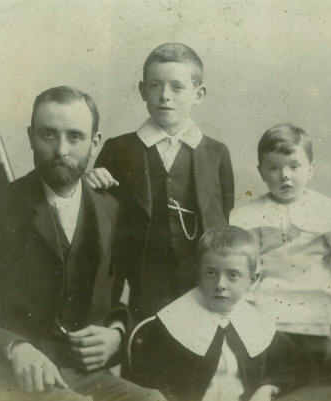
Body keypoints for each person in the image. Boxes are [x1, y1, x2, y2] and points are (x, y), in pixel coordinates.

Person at [0, 86, 164, 401]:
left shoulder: (110, 210)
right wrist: (15, 348)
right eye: (49, 135)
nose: (62, 149)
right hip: (11, 377)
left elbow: (116, 303)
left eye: (75, 136)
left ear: (94, 142)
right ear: (31, 137)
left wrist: (116, 335)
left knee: (153, 399)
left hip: (84, 376)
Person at [85, 43, 234, 320]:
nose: (165, 95)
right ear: (143, 91)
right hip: (143, 283)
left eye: (177, 87)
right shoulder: (118, 149)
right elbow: (99, 214)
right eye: (155, 85)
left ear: (198, 94)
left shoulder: (216, 153)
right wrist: (89, 182)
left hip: (201, 281)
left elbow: (224, 214)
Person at [127, 225, 310, 401]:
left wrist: (267, 389)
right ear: (197, 273)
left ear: (251, 280)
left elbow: (298, 366)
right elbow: (147, 386)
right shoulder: (168, 326)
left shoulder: (256, 323)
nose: (220, 285)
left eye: (233, 275)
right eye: (211, 273)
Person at [230, 123, 331, 364]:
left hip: (316, 288)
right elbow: (248, 261)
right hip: (270, 291)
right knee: (271, 346)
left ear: (311, 169)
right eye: (274, 168)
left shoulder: (329, 210)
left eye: (294, 166)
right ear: (261, 172)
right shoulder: (249, 215)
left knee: (326, 347)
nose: (285, 175)